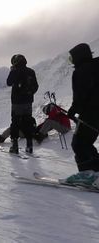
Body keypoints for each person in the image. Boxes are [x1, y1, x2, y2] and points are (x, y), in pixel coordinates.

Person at [64, 43, 99, 186]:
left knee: (79, 143)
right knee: (86, 143)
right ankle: (96, 172)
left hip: (91, 113)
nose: (72, 62)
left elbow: (80, 95)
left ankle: (87, 174)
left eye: (72, 58)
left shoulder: (81, 72)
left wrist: (73, 110)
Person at [7, 54, 38, 154]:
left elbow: (8, 82)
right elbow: (36, 86)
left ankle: (14, 146)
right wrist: (29, 93)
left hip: (17, 102)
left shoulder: (15, 71)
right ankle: (29, 146)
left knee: (15, 122)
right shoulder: (31, 71)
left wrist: (12, 71)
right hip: (28, 101)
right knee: (28, 122)